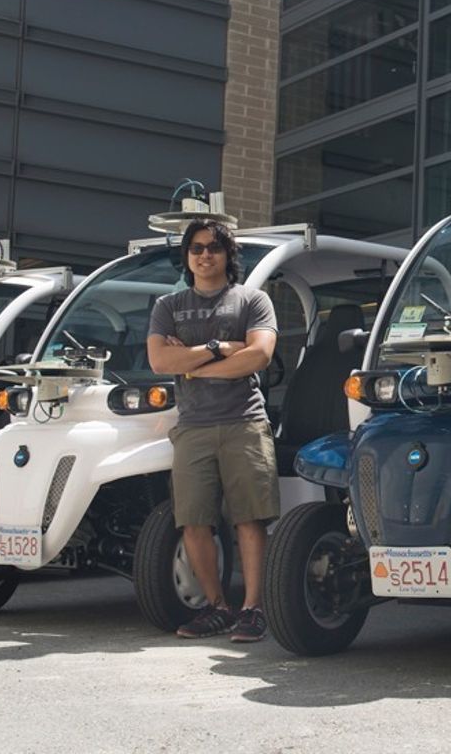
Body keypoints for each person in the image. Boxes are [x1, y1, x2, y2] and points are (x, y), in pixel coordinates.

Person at [147, 217, 280, 643]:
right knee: (194, 522)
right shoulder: (167, 306)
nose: (206, 255)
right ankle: (216, 607)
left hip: (245, 421)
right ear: (187, 257)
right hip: (193, 427)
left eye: (214, 248)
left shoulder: (252, 300)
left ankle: (253, 610)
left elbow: (258, 356)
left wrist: (192, 365)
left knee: (249, 518)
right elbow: (160, 364)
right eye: (197, 248)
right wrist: (218, 349)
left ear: (228, 255)